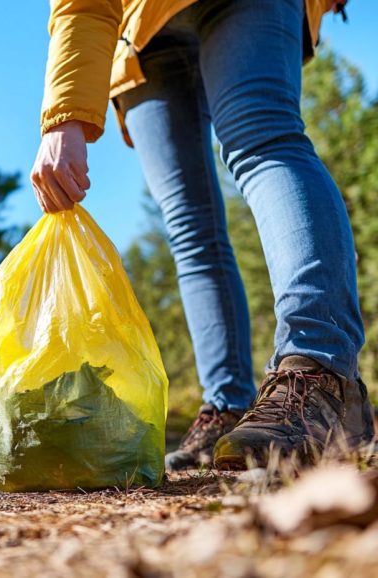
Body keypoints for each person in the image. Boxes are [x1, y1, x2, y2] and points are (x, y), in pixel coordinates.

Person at [30, 0, 374, 470]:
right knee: (190, 226)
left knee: (262, 140)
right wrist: (65, 116)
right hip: (141, 38)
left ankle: (319, 374)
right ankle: (227, 406)